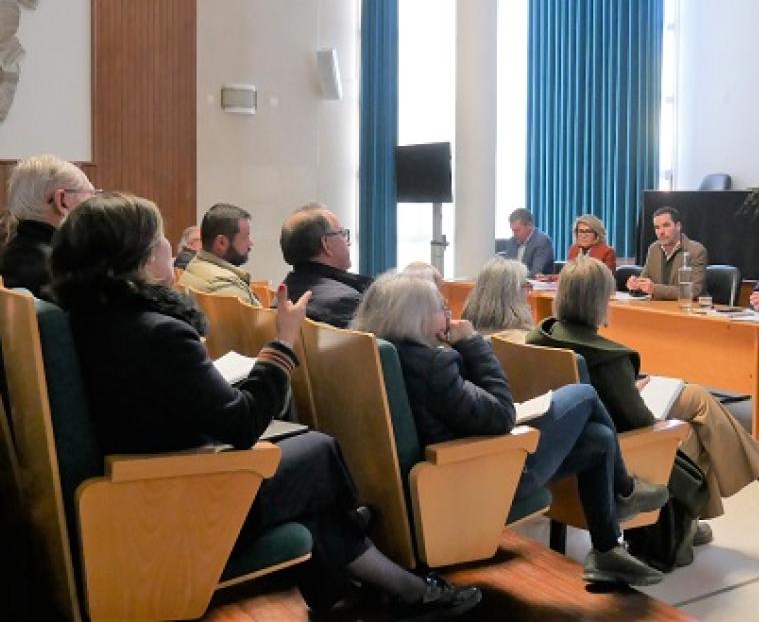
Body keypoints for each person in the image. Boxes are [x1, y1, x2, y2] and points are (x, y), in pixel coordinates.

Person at [48, 192, 480, 618]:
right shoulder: (158, 333)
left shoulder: (86, 315)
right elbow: (243, 422)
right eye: (158, 238)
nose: (171, 248)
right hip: (178, 494)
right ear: (136, 258)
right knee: (318, 450)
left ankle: (369, 584)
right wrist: (282, 344)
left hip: (139, 478)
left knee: (313, 472)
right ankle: (383, 572)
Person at [351, 271, 671, 588]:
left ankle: (607, 550)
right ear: (415, 318)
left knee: (599, 439)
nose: (450, 315)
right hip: (484, 477)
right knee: (584, 394)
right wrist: (473, 344)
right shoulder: (432, 366)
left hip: (445, 473)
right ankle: (626, 490)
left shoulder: (376, 356)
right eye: (441, 309)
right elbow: (502, 415)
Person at [528, 257, 759, 532]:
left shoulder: (540, 337)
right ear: (599, 301)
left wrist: (628, 388)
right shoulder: (607, 356)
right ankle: (691, 525)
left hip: (561, 439)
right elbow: (639, 420)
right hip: (618, 446)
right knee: (696, 431)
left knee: (696, 397)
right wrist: (633, 389)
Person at [0, 154, 97, 298]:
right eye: (91, 195)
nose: (96, 204)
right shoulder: (60, 269)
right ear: (62, 201)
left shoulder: (11, 253)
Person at [280, 204, 371, 328]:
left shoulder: (283, 297)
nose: (348, 242)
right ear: (326, 244)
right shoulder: (346, 302)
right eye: (343, 234)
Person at [179, 203, 260, 305]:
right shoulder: (229, 290)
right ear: (221, 243)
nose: (250, 243)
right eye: (246, 237)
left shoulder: (194, 268)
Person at [626, 206, 708, 300]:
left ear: (678, 226)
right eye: (657, 227)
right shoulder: (654, 249)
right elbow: (644, 279)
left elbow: (694, 291)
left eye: (666, 225)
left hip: (688, 310)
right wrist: (636, 285)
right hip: (660, 308)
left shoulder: (696, 251)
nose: (661, 232)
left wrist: (655, 289)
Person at [461, 256, 534, 337]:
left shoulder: (462, 333)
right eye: (526, 285)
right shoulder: (525, 339)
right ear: (511, 294)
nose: (528, 292)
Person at [501, 208, 555, 277]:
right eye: (513, 230)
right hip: (514, 284)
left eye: (517, 230)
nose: (514, 234)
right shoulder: (512, 241)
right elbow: (507, 268)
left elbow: (535, 272)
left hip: (536, 286)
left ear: (529, 226)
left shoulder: (542, 241)